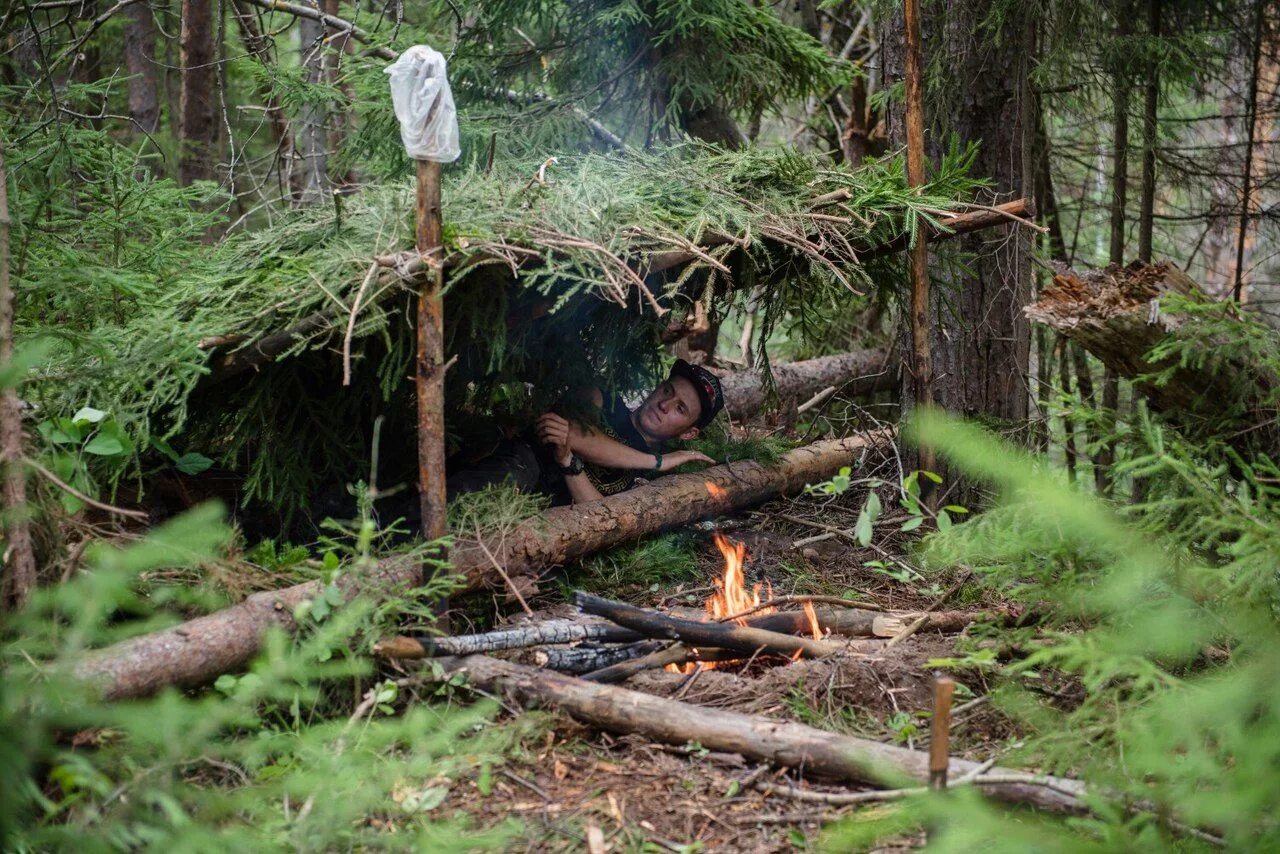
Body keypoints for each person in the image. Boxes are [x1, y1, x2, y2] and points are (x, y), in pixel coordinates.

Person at [445, 359, 724, 505]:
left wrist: (570, 465)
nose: (664, 404)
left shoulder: (653, 482)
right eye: (667, 391)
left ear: (689, 434)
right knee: (520, 469)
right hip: (513, 470)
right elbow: (571, 433)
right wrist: (657, 461)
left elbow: (603, 514)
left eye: (680, 409)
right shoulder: (603, 398)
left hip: (545, 522)